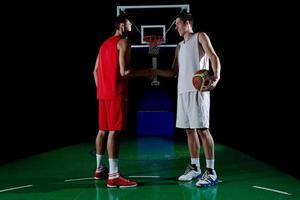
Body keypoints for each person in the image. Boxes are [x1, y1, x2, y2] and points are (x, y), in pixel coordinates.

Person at [155, 11, 221, 187]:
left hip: (199, 90)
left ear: (186, 23)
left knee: (202, 130)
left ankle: (211, 171)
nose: (175, 27)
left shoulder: (200, 36)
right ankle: (194, 167)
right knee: (189, 131)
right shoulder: (179, 46)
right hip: (182, 92)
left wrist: (216, 76)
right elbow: (173, 71)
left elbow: (214, 56)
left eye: (177, 23)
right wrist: (153, 71)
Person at [93, 14, 153, 188]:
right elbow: (124, 71)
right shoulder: (124, 42)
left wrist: (102, 89)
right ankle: (113, 176)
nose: (131, 27)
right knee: (114, 132)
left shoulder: (104, 44)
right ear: (121, 25)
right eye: (129, 24)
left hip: (103, 95)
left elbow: (95, 71)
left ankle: (99, 169)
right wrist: (146, 72)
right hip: (116, 94)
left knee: (102, 131)